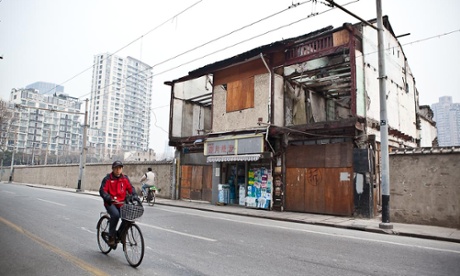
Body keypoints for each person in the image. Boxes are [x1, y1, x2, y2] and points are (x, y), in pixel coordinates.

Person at [99, 160, 139, 248]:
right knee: (116, 215)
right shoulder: (107, 179)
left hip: (121, 203)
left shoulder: (124, 178)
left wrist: (135, 195)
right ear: (113, 169)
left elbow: (130, 188)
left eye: (120, 168)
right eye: (116, 168)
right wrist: (108, 198)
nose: (118, 170)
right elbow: (102, 191)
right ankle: (111, 236)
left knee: (127, 218)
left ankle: (119, 234)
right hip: (110, 203)